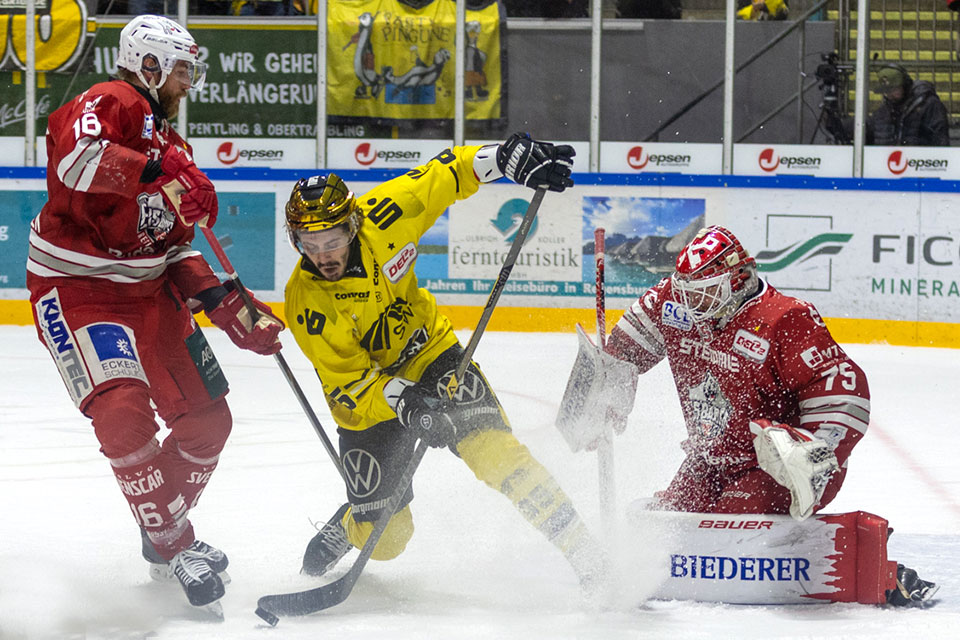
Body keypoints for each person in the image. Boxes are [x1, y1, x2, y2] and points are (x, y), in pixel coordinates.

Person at [26, 15, 283, 612]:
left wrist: (229, 308)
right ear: (150, 65)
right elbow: (76, 161)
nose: (189, 82)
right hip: (80, 293)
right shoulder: (108, 100)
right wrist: (157, 172)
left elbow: (174, 249)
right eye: (183, 69)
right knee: (123, 414)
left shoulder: (175, 146)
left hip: (150, 297)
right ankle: (177, 540)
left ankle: (157, 529)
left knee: (208, 423)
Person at [283, 134, 604, 592]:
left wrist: (504, 159)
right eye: (307, 243)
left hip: (429, 354)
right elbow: (349, 385)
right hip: (368, 405)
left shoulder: (385, 215)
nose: (321, 255)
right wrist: (405, 403)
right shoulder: (307, 302)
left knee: (497, 454)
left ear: (353, 225)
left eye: (331, 239)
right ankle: (350, 526)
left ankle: (586, 554)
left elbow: (449, 171)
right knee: (390, 538)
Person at [558, 225, 937, 606]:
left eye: (704, 295)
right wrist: (598, 395)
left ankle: (877, 567)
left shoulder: (785, 320)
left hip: (776, 468)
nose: (692, 307)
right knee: (666, 523)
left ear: (739, 279)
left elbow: (845, 395)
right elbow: (618, 355)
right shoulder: (671, 301)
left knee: (727, 531)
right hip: (708, 460)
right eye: (685, 294)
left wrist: (814, 453)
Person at [867, 64, 950, 147]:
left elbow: (940, 140)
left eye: (894, 89)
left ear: (905, 85)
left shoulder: (929, 105)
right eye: (886, 91)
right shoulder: (882, 112)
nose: (889, 94)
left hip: (921, 159)